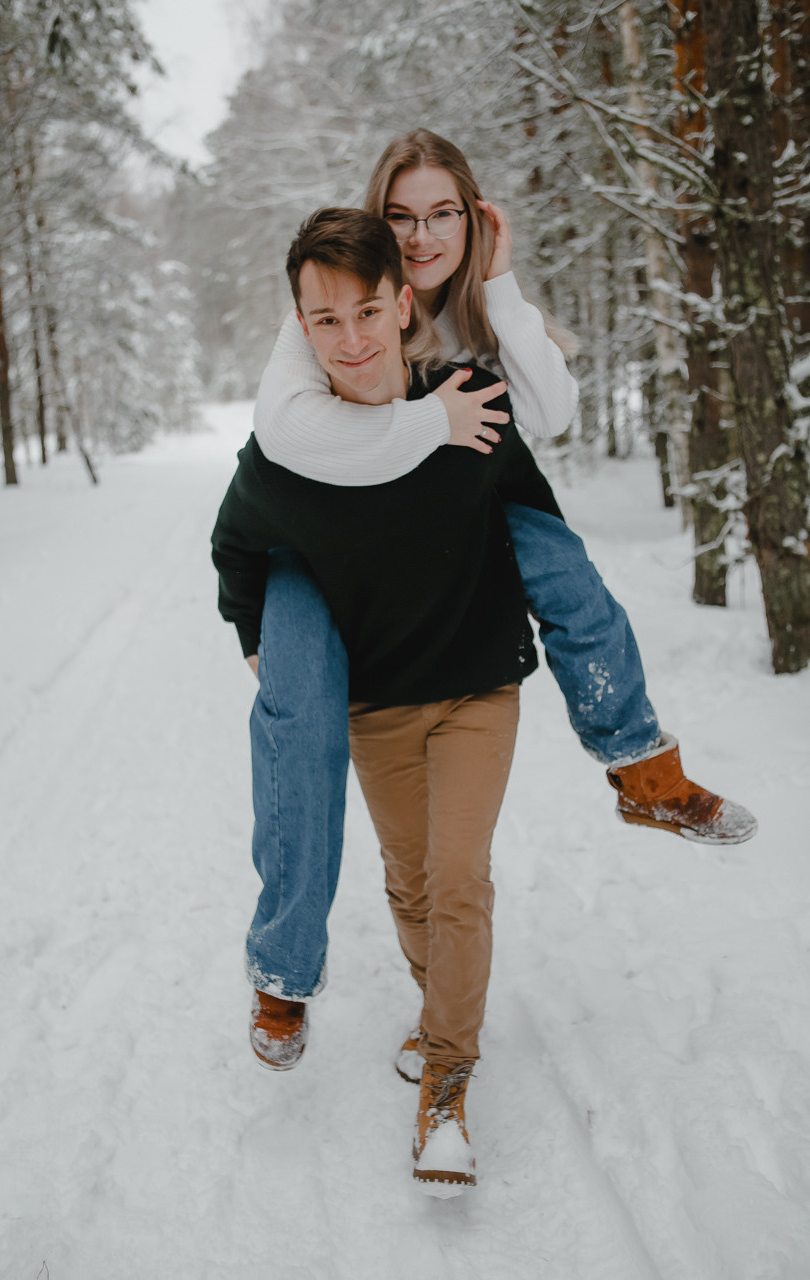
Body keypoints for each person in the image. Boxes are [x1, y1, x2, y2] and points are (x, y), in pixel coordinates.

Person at [238, 132, 757, 1069]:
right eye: (403, 216)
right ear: (377, 227)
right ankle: (283, 970)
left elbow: (550, 416)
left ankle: (640, 764)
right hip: (322, 535)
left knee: (563, 568)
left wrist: (503, 283)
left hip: (468, 511)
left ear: (473, 220)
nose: (423, 234)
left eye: (444, 214)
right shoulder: (338, 298)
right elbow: (281, 433)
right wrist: (429, 418)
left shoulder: (479, 311)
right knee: (295, 714)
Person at [213, 207, 561, 1193]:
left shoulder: (466, 402)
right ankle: (434, 1004)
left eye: (369, 311)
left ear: (402, 305)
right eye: (326, 322)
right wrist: (253, 631)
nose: (353, 338)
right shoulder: (288, 449)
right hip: (375, 703)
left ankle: (446, 1081)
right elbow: (237, 541)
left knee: (456, 876)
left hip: (476, 688)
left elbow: (536, 511)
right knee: (410, 882)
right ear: (300, 329)